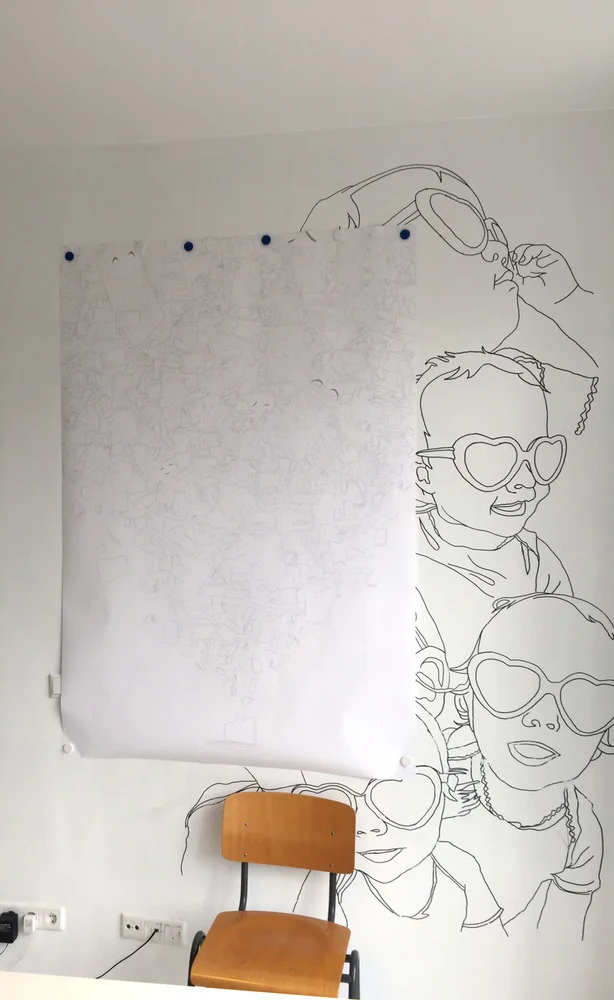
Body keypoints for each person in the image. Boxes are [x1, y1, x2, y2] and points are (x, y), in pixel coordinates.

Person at [297, 163, 598, 435]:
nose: (498, 250)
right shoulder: (390, 422)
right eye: (464, 228)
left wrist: (568, 298)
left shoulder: (545, 389)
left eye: (490, 230)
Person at [182, 706, 503, 935]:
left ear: (448, 791)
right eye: (337, 797)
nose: (369, 825)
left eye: (401, 797)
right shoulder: (331, 896)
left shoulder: (469, 881)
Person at [444, 593, 614, 939]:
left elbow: (563, 938)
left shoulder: (582, 831)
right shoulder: (439, 784)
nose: (543, 717)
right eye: (511, 682)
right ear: (466, 698)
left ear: (606, 733)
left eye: (581, 698)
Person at [415, 349, 571, 668]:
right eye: (491, 457)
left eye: (541, 454)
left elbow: (572, 647)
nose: (525, 481)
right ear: (424, 473)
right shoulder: (408, 560)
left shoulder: (537, 562)